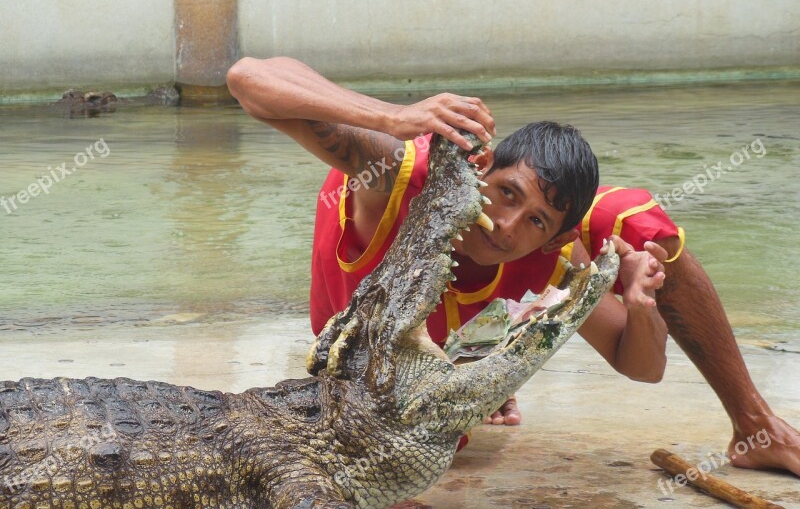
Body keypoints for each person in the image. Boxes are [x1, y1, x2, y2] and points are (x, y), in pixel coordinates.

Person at [227, 56, 800, 477]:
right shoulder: (402, 174)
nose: (506, 227)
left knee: (636, 223)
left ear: (556, 238)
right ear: (482, 165)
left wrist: (642, 303)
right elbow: (248, 78)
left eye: (535, 221)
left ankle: (754, 424)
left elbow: (642, 368)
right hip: (356, 341)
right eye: (505, 193)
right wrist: (393, 116)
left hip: (452, 336)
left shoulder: (555, 254)